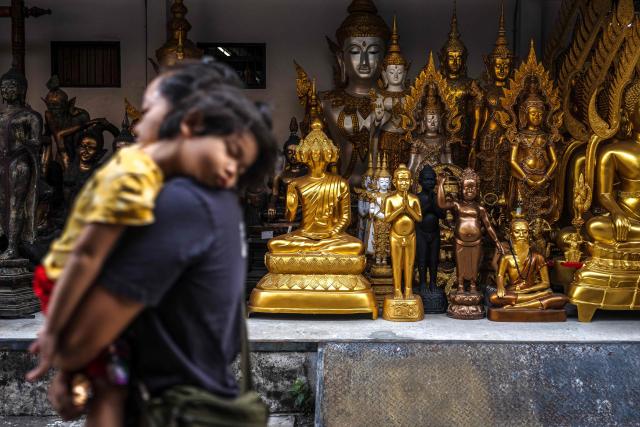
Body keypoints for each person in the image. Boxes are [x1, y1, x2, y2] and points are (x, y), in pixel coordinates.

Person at [29, 62, 277, 425]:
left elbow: (83, 337)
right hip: (194, 389)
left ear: (188, 121)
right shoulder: (205, 198)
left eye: (148, 112)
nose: (139, 124)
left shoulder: (180, 201)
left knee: (108, 385)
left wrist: (65, 359)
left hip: (174, 407)